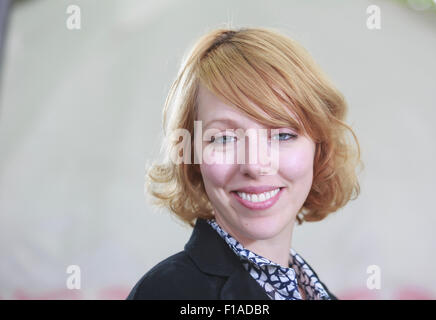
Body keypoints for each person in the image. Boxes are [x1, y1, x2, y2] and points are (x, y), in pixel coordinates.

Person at [127, 26, 363, 300]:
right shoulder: (166, 293)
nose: (254, 164)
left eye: (283, 134)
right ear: (192, 157)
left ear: (318, 147)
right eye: (224, 138)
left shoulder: (317, 294)